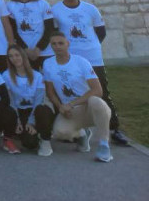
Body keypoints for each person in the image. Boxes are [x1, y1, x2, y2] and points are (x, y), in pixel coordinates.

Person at [50, 0, 128, 145]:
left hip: (92, 58)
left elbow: (101, 32)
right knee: (70, 91)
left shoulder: (90, 9)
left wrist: (89, 47)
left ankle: (114, 129)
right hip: (70, 59)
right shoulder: (56, 10)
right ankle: (76, 126)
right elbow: (55, 33)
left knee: (102, 92)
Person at [43, 31, 113, 163]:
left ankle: (104, 145)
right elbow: (50, 92)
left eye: (60, 43)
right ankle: (83, 134)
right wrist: (61, 107)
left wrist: (72, 103)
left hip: (89, 108)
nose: (57, 46)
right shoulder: (48, 64)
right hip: (71, 111)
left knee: (96, 101)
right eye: (54, 44)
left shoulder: (81, 62)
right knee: (59, 132)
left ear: (68, 44)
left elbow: (97, 90)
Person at [3, 44, 54, 156]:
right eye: (10, 56)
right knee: (30, 144)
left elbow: (39, 100)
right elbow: (10, 100)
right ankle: (15, 134)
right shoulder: (6, 75)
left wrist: (31, 122)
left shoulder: (37, 76)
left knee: (42, 109)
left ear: (23, 56)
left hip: (34, 111)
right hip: (19, 111)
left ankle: (45, 138)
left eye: (17, 55)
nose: (14, 58)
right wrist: (18, 121)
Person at [7, 0, 54, 68]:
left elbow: (49, 29)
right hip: (23, 52)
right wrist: (25, 49)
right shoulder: (10, 5)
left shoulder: (43, 4)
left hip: (44, 52)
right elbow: (12, 30)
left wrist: (39, 48)